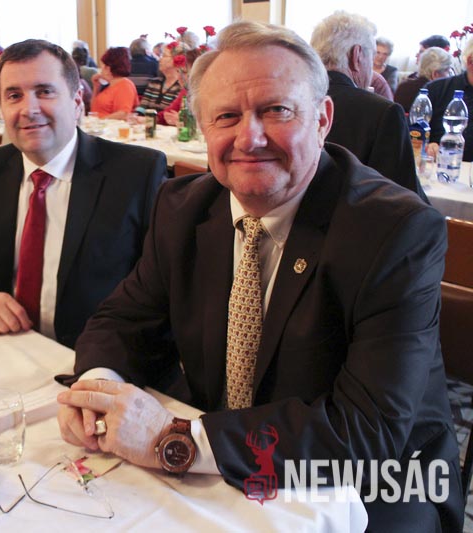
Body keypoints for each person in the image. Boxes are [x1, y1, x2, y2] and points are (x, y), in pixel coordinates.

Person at [56, 20, 463, 532]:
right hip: (229, 459)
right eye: (227, 116)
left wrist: (175, 439)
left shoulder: (395, 230)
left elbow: (367, 430)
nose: (249, 137)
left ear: (323, 119)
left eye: (276, 110)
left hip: (374, 482)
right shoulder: (183, 207)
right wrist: (97, 389)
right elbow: (122, 320)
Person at [0, 39, 167, 349]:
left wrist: (104, 365)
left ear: (77, 102)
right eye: (14, 96)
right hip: (7, 349)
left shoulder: (135, 174)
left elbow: (162, 293)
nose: (28, 109)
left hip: (97, 359)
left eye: (45, 91)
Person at [310, 11, 425, 200]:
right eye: (371, 58)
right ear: (356, 56)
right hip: (359, 217)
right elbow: (405, 197)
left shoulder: (290, 103)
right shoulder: (383, 113)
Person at [425, 38, 473, 163]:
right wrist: (429, 146)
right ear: (470, 61)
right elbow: (414, 135)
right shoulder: (436, 90)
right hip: (440, 166)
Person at [394, 47, 454, 114]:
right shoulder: (439, 94)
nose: (450, 75)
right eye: (447, 71)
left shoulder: (403, 87)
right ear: (435, 74)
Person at [90, 47, 139, 120]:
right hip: (98, 124)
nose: (102, 69)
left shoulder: (125, 85)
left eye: (104, 66)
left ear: (109, 68)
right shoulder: (109, 86)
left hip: (109, 125)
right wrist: (96, 87)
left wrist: (100, 121)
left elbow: (123, 114)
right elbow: (93, 109)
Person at [139, 40, 186, 112]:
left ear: (176, 59)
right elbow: (142, 107)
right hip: (147, 119)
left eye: (164, 56)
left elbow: (173, 113)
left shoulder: (181, 86)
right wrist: (135, 115)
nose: (160, 59)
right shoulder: (155, 82)